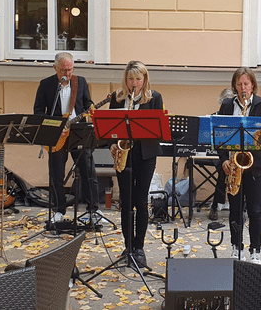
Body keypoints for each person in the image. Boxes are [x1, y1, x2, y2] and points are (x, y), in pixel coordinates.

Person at [33, 52, 100, 224]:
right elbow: (38, 112)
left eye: (70, 69)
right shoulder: (46, 85)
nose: (67, 74)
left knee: (88, 170)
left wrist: (91, 108)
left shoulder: (81, 82)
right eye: (64, 70)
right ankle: (58, 210)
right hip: (57, 134)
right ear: (55, 68)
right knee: (56, 173)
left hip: (78, 131)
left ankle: (93, 209)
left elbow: (87, 103)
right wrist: (54, 127)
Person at [109, 60, 164, 267]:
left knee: (141, 201)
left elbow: (158, 130)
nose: (134, 83)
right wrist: (112, 145)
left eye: (138, 79)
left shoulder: (155, 97)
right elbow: (110, 128)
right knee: (126, 201)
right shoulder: (117, 98)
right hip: (124, 154)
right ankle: (128, 246)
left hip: (145, 155)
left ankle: (139, 248)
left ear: (144, 79)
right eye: (130, 79)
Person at [217, 67, 261, 264]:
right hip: (233, 166)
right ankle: (236, 247)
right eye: (239, 84)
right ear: (234, 86)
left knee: (255, 210)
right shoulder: (226, 106)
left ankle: (255, 250)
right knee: (235, 210)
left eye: (246, 84)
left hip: (256, 167)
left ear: (252, 85)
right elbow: (219, 138)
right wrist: (224, 159)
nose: (243, 88)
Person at [208, 88, 234, 221]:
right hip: (219, 154)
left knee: (226, 171)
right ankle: (216, 205)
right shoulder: (214, 117)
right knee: (224, 170)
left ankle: (216, 205)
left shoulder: (237, 117)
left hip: (234, 155)